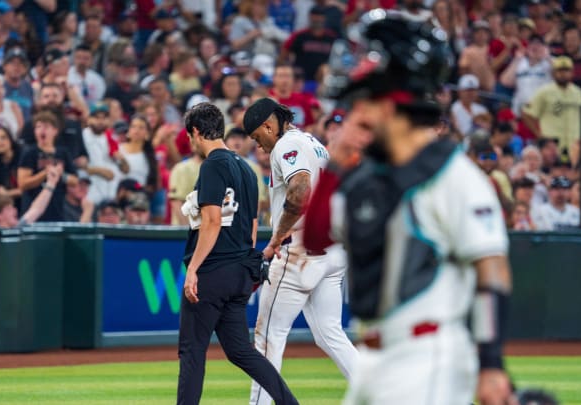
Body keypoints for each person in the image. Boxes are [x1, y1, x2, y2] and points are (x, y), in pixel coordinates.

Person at [315, 13, 515, 404]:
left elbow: (491, 271)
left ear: (391, 99)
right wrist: (336, 161)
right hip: (374, 360)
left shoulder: (455, 175)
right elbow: (317, 233)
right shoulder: (371, 174)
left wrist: (491, 364)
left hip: (429, 357)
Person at [177, 102, 298, 405]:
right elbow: (254, 224)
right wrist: (248, 263)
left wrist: (193, 269)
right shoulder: (246, 167)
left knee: (192, 351)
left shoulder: (213, 165)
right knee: (240, 351)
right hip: (240, 271)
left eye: (191, 136)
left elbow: (212, 220)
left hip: (213, 272)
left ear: (195, 132)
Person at [243, 97, 358, 405]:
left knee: (268, 337)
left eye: (258, 137)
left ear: (269, 125)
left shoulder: (286, 145)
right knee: (330, 333)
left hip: (301, 249)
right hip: (333, 248)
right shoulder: (313, 142)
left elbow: (301, 189)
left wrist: (275, 239)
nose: (260, 146)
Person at [0, 162, 62, 228]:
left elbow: (36, 209)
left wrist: (51, 183)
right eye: (8, 209)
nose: (14, 210)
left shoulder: (18, 228)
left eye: (12, 207)